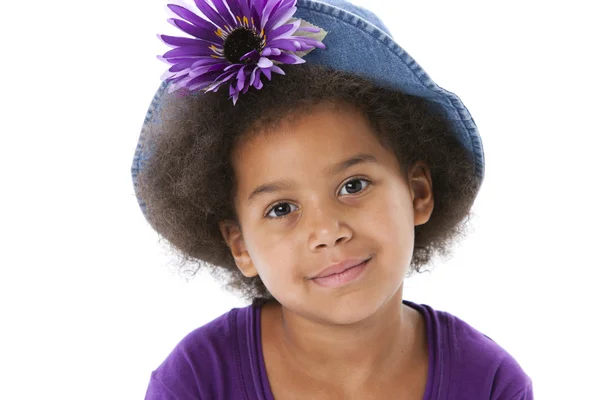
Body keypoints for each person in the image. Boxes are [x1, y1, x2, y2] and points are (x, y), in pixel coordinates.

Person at [132, 0, 533, 398]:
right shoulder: (196, 382)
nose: (326, 232)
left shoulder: (489, 383)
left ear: (418, 192)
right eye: (282, 209)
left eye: (353, 185)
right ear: (240, 245)